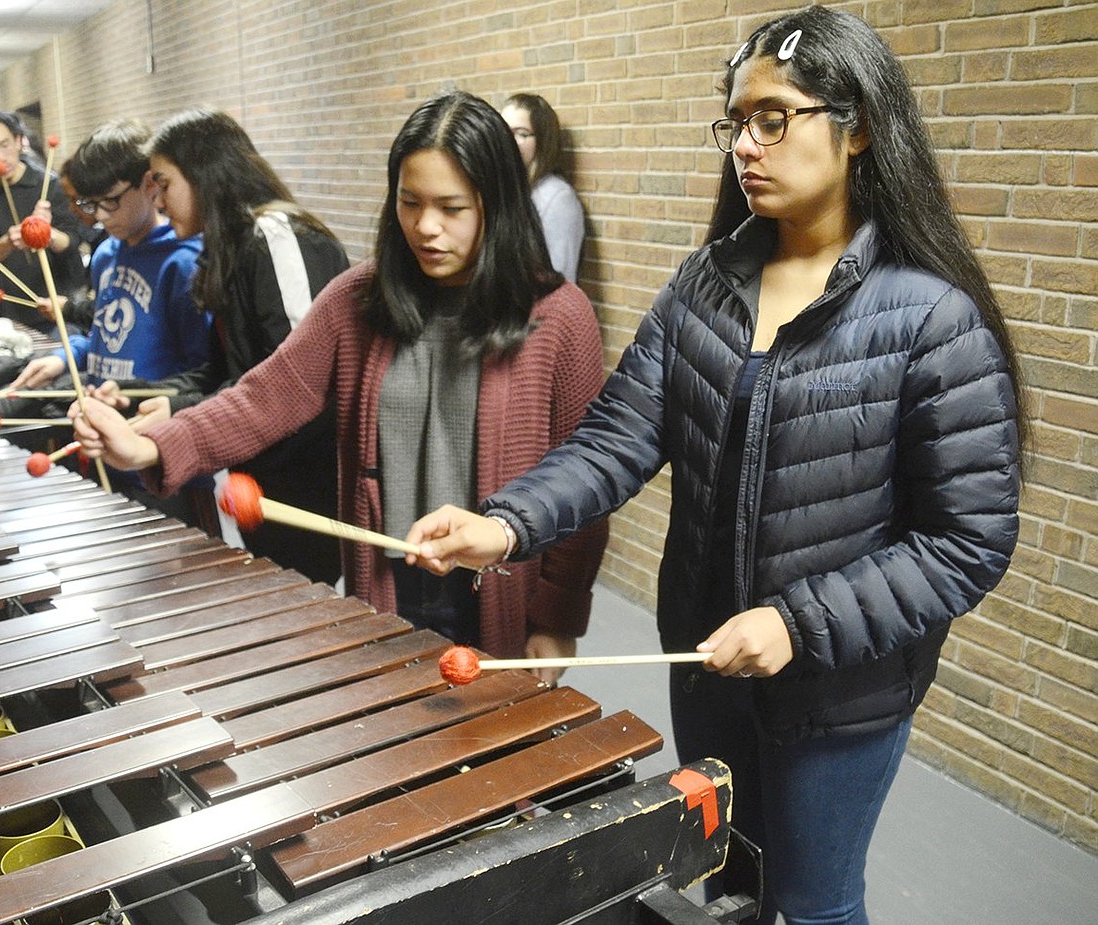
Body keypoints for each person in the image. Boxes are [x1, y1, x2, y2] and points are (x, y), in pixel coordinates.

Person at [404, 9, 1024, 925]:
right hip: (708, 661)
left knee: (812, 903)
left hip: (837, 692)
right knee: (730, 885)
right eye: (735, 122)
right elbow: (616, 436)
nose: (745, 144)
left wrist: (798, 622)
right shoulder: (706, 284)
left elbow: (965, 542)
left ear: (856, 130)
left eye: (774, 118)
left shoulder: (932, 321)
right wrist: (506, 523)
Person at [72, 92, 608, 671]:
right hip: (387, 585)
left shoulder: (559, 316)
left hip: (500, 595)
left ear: (498, 205)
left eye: (452, 208)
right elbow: (265, 395)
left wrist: (558, 617)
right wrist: (153, 443)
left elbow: (584, 478)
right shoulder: (359, 299)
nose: (425, 228)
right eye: (410, 202)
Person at [83, 107, 350, 587]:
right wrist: (142, 396)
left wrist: (176, 423)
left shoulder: (277, 235)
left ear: (205, 173)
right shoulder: (227, 245)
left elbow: (295, 384)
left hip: (310, 484)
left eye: (164, 183)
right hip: (256, 477)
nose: (159, 201)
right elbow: (222, 370)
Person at [0, 120, 213, 526]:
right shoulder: (105, 256)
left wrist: (136, 399)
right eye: (87, 204)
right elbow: (106, 336)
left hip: (159, 464)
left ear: (150, 184)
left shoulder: (185, 263)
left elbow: (203, 376)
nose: (97, 216)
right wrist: (66, 358)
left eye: (108, 201)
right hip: (99, 450)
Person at [0, 110, 87, 334]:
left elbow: (73, 241)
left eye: (4, 145)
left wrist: (46, 233)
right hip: (6, 317)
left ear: (18, 141)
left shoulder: (50, 185)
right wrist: (6, 243)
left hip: (58, 308)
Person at [501, 93, 585, 282]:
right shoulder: (509, 190)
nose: (509, 141)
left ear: (543, 141)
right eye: (505, 132)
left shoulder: (557, 198)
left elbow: (560, 281)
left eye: (521, 134)